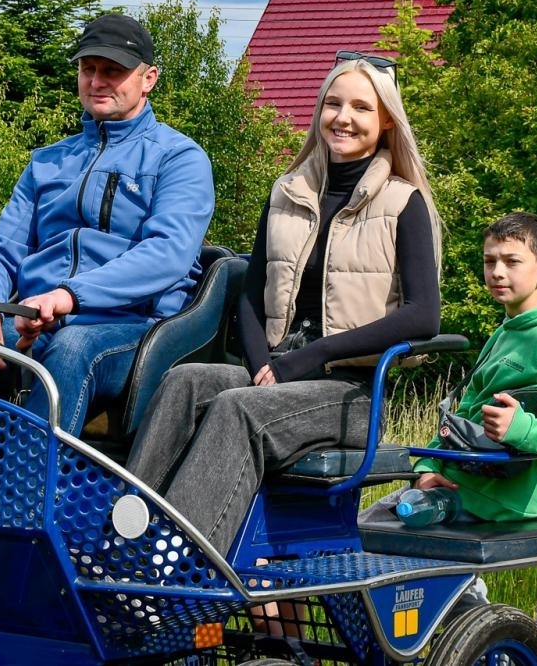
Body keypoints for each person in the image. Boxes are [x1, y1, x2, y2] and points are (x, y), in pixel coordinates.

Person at [124, 52, 442, 555]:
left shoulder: (403, 202)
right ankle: (124, 536)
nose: (343, 117)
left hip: (351, 392)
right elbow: (251, 296)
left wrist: (311, 357)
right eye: (332, 104)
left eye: (361, 107)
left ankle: (177, 562)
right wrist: (261, 365)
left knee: (238, 410)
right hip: (279, 373)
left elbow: (424, 315)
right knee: (187, 381)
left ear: (384, 122)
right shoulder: (287, 193)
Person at [0, 13, 215, 435]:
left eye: (112, 71)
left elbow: (166, 254)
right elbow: (0, 246)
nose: (97, 81)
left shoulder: (179, 159)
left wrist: (68, 296)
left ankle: (25, 496)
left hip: (131, 331)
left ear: (148, 78)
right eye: (87, 69)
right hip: (33, 322)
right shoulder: (48, 161)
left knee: (71, 347)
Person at [399, 211, 537, 524]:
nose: (497, 272)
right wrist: (427, 468)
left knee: (361, 539)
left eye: (512, 261)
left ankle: (467, 577)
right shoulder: (508, 329)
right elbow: (465, 413)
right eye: (489, 261)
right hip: (461, 480)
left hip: (496, 499)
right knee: (363, 528)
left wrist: (521, 428)